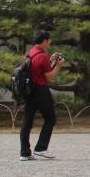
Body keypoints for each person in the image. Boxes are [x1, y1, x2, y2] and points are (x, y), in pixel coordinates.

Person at [19, 30, 66, 161]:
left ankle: (25, 153)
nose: (50, 42)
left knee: (27, 122)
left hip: (29, 91)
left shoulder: (31, 52)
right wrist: (58, 65)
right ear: (45, 41)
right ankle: (41, 148)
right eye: (49, 40)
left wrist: (51, 61)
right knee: (50, 118)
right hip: (40, 90)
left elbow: (39, 70)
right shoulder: (42, 56)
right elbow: (49, 77)